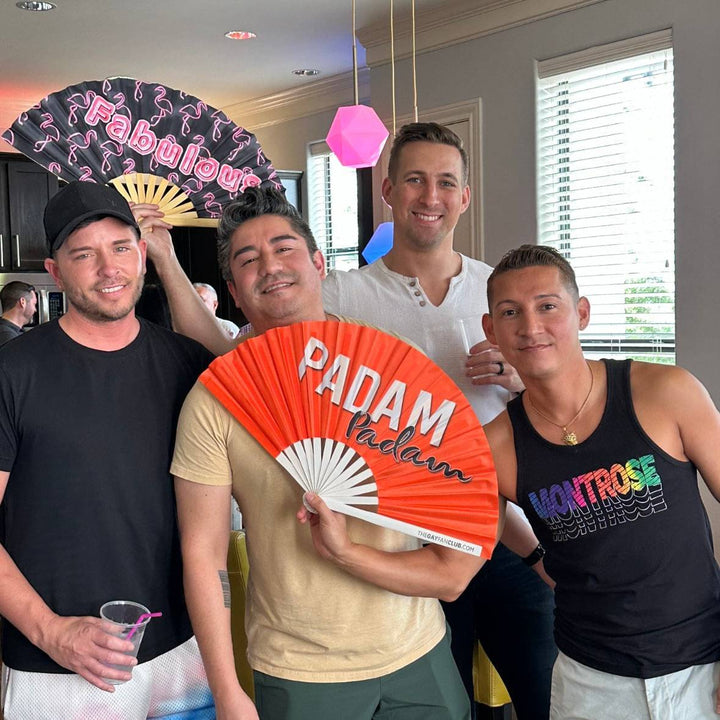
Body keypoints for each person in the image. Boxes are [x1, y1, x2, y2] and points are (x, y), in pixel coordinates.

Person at [165, 186, 542, 720]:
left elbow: (456, 490)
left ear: (319, 264)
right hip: (300, 669)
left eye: (284, 248)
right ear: (233, 291)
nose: (270, 266)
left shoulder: (390, 364)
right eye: (248, 260)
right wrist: (226, 690)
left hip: (420, 648)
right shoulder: (216, 400)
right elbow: (203, 556)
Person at [321, 122, 557, 719]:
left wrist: (519, 377)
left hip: (505, 531)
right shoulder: (341, 297)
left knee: (550, 698)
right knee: (439, 707)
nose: (431, 197)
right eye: (415, 180)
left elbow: (563, 395)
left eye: (446, 182)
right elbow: (245, 350)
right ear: (388, 190)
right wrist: (165, 259)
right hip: (407, 543)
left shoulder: (499, 291)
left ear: (465, 196)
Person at [0, 181, 214, 720]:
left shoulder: (187, 364)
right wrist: (51, 632)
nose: (108, 268)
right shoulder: (12, 372)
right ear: (55, 273)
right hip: (56, 665)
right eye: (84, 255)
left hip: (181, 650)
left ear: (142, 253)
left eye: (120, 247)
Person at [480, 244, 720, 720]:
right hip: (589, 683)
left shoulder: (666, 392)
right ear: (491, 330)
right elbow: (469, 547)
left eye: (548, 306)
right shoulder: (495, 445)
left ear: (582, 313)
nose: (530, 327)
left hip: (703, 667)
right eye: (511, 312)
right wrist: (535, 557)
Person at [0, 281, 37, 346]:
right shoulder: (8, 336)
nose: (35, 310)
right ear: (22, 302)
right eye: (34, 304)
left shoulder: (9, 331)